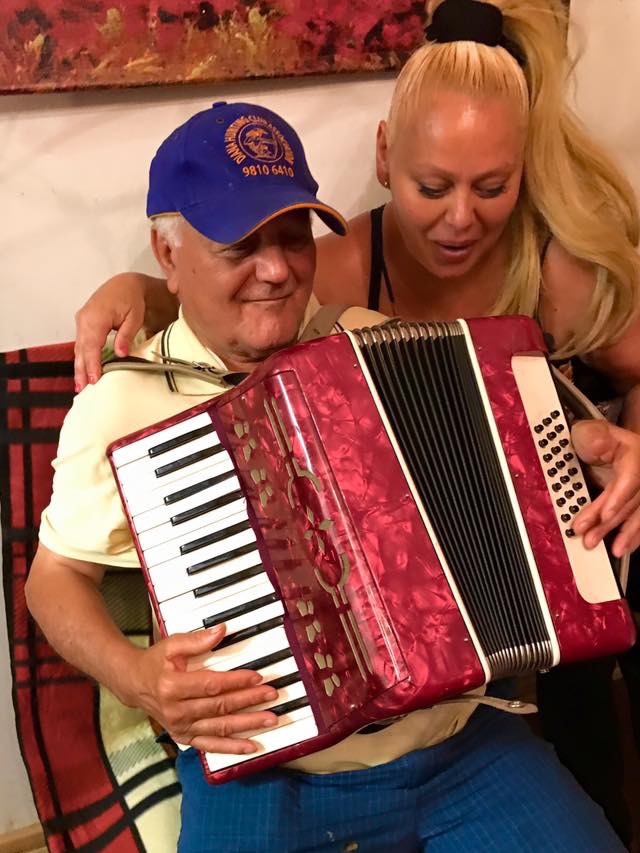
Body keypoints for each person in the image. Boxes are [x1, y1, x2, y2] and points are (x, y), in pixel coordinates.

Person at [71, 1, 640, 841]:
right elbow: (56, 579)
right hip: (266, 754)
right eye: (238, 243)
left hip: (448, 734)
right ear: (168, 255)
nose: (274, 268)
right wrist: (140, 676)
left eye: (293, 233)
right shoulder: (124, 402)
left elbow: (496, 426)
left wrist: (585, 439)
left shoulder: (362, 341)